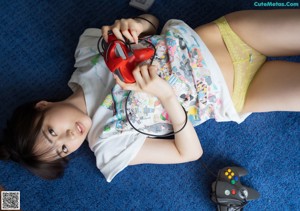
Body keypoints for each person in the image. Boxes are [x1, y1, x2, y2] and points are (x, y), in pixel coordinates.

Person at [0, 10, 299, 182]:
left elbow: (152, 21)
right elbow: (189, 154)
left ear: (43, 105)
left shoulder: (87, 53)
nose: (69, 136)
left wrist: (137, 25)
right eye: (63, 148)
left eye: (51, 130)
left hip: (224, 37)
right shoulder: (108, 148)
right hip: (236, 93)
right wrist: (166, 96)